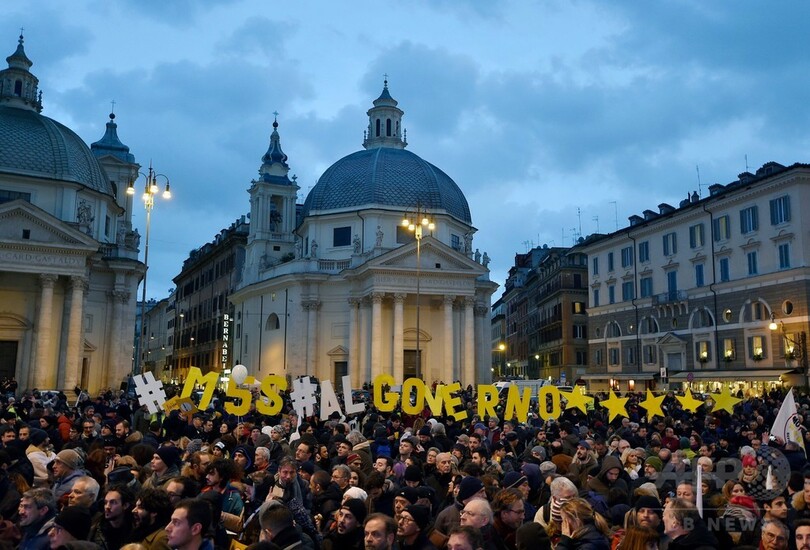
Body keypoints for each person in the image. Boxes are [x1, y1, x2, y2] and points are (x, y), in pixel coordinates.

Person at [89, 484, 136, 550]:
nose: (107, 507)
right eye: (105, 502)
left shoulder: (135, 531)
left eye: (113, 502)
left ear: (125, 505)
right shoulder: (95, 529)